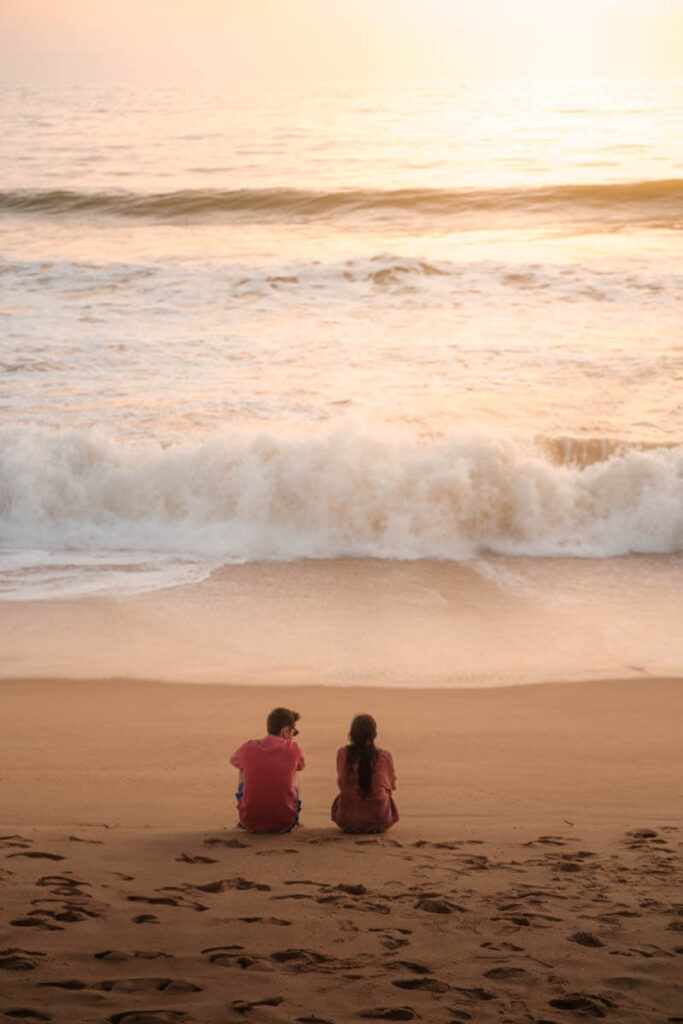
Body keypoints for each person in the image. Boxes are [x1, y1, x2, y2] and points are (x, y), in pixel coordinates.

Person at [230, 707, 305, 833]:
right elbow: (301, 766)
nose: (293, 737)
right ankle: (292, 816)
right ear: (286, 731)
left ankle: (250, 811)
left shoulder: (249, 747)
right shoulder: (294, 748)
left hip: (250, 822)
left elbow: (233, 761)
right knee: (294, 771)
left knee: (242, 768)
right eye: (294, 732)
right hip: (284, 822)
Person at [331, 713, 399, 834]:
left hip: (347, 822)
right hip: (379, 821)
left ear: (351, 734)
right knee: (385, 793)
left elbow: (341, 783)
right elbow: (392, 785)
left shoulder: (342, 753)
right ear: (374, 735)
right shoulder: (385, 756)